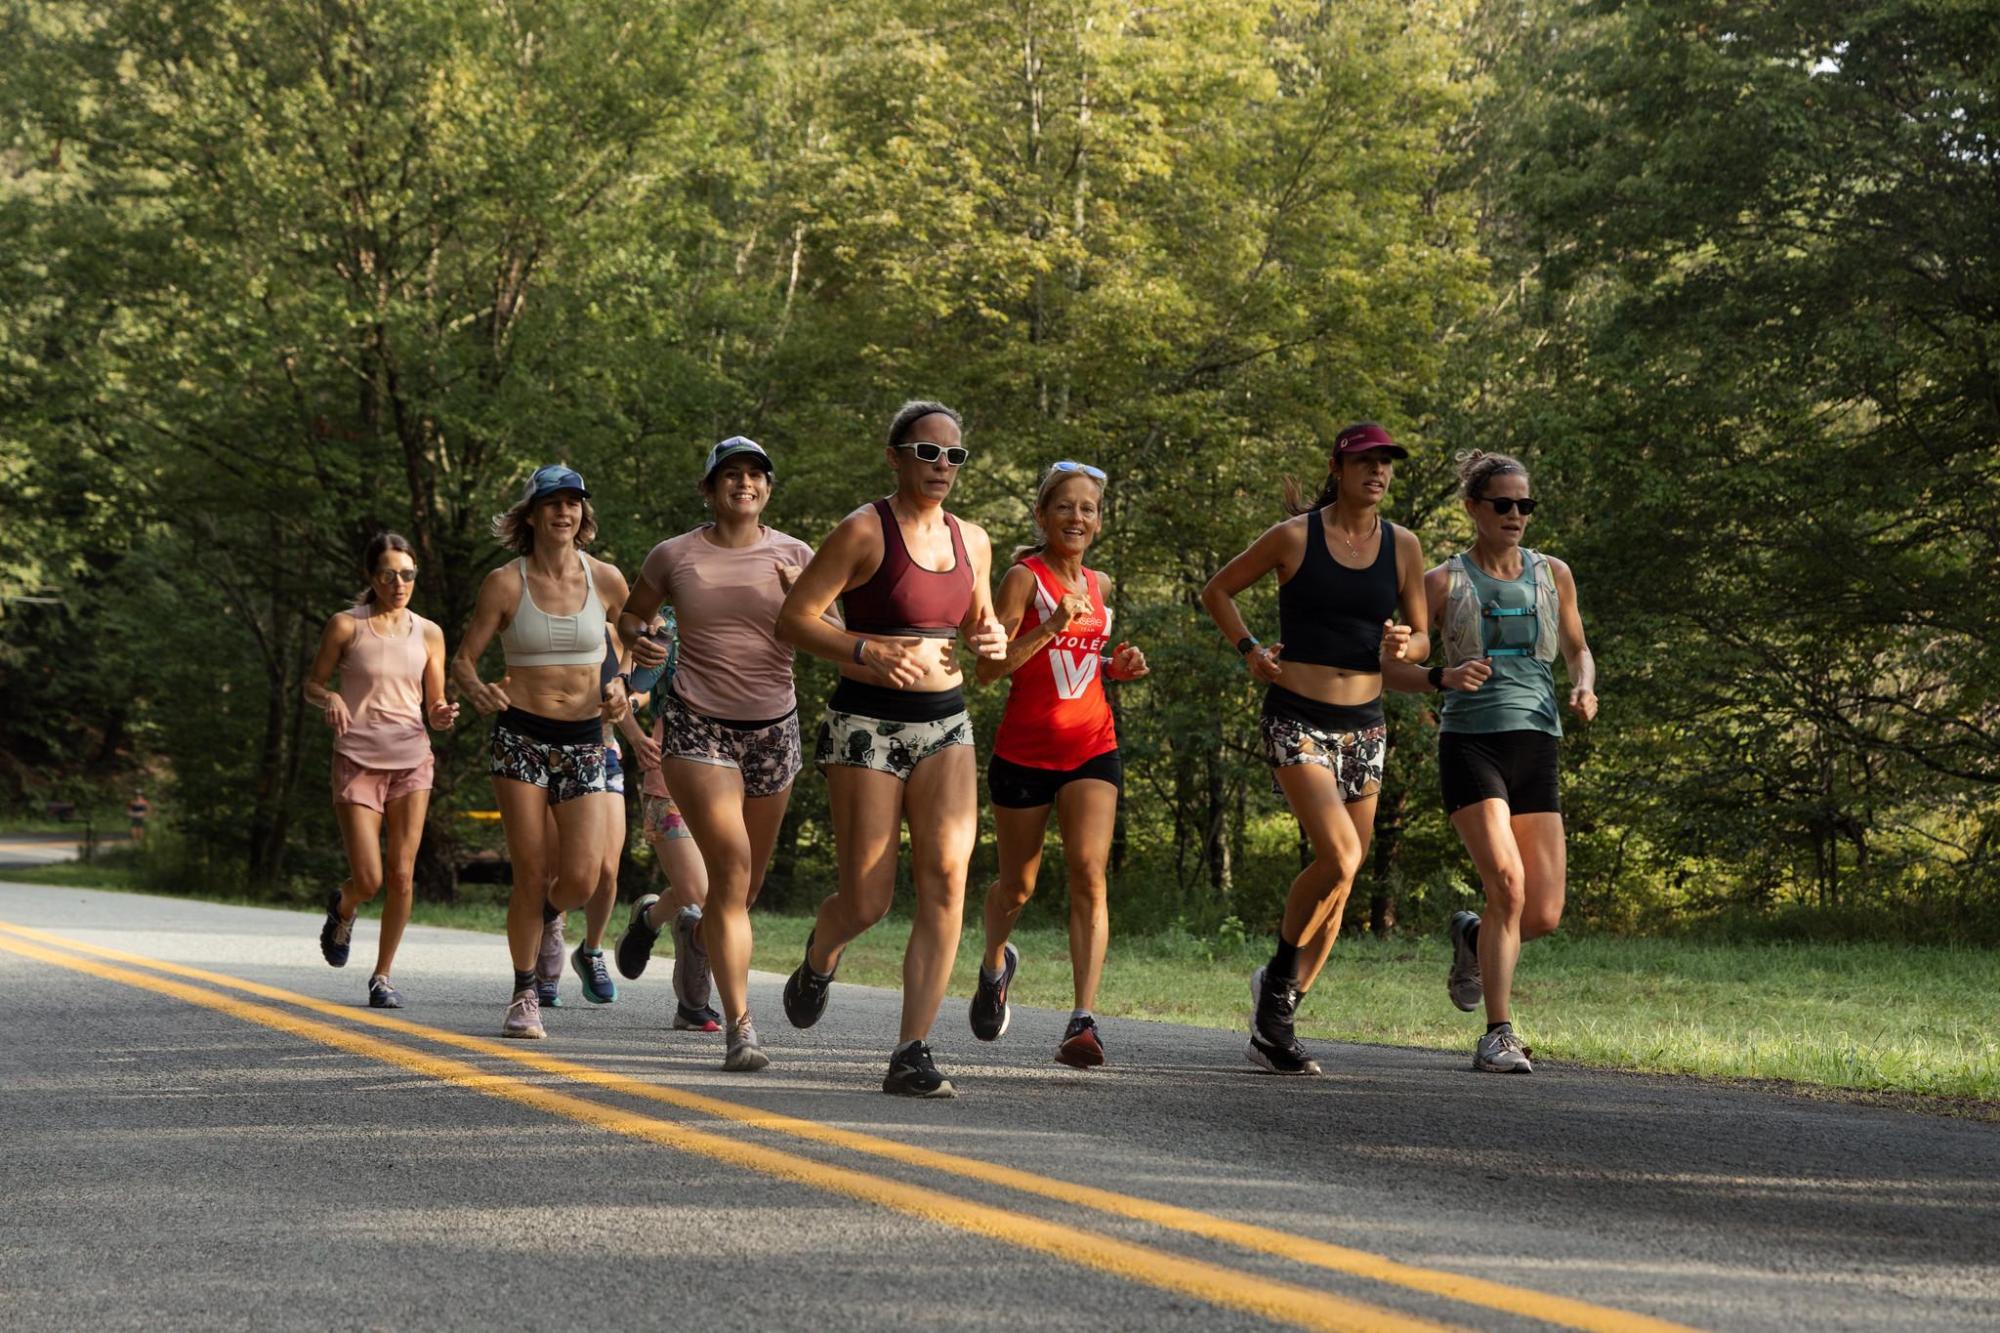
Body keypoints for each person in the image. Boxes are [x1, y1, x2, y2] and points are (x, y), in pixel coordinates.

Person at [775, 402, 1007, 1097]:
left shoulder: (976, 541)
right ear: (896, 456)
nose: (942, 466)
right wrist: (864, 648)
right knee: (869, 899)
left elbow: (982, 630)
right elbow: (795, 619)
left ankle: (912, 1049)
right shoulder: (862, 530)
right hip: (866, 724)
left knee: (946, 878)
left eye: (954, 456)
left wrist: (992, 641)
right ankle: (822, 953)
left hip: (946, 723)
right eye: (927, 452)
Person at [1199, 423, 1430, 1075]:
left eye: (1386, 463)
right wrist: (1249, 650)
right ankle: (1276, 985)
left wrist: (1402, 646)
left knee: (1344, 873)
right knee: (1341, 852)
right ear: (1339, 466)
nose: (1378, 471)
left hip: (1366, 725)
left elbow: (1421, 642)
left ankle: (1277, 1019)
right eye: (1365, 461)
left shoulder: (1403, 546)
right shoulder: (1295, 535)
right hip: (1295, 716)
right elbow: (1218, 589)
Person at [1386, 449, 1596, 1074]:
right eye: (1502, 504)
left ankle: (1474, 939)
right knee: (1507, 884)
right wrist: (1440, 677)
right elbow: (1389, 668)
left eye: (1524, 505)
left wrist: (1584, 687)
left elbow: (1580, 651)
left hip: (1537, 742)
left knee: (1544, 913)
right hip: (1471, 743)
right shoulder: (1443, 583)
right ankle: (1498, 1034)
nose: (1515, 514)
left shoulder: (1553, 573)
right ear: (1473, 508)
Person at [618, 437, 816, 1072]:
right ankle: (741, 1028)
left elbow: (831, 630)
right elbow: (631, 617)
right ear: (708, 489)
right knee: (729, 871)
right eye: (730, 475)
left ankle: (672, 923)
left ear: (768, 489)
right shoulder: (675, 554)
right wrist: (644, 642)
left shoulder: (797, 554)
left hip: (773, 729)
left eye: (756, 475)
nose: (744, 484)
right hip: (698, 725)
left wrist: (801, 599)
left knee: (746, 887)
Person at [969, 460, 1149, 1068]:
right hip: (1023, 755)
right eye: (1065, 507)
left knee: (1089, 873)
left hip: (1093, 747)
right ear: (1043, 516)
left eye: (1088, 509)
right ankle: (995, 962)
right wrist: (1050, 624)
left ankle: (1083, 1022)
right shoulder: (1024, 578)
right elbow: (991, 670)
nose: (1078, 517)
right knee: (1018, 886)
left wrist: (1113, 669)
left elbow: (1077, 671)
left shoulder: (1098, 585)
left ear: (1099, 521)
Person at [451, 465, 632, 1040]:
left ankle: (549, 919)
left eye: (574, 502)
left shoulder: (606, 579)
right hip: (521, 734)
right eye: (552, 503)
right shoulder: (505, 583)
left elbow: (630, 647)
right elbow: (463, 660)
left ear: (583, 514)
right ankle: (524, 991)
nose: (564, 512)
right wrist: (478, 690)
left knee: (580, 879)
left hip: (584, 738)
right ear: (531, 515)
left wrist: (622, 683)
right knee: (532, 872)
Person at [306, 532, 459, 1009]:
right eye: (389, 574)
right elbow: (312, 684)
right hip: (357, 760)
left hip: (412, 760)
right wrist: (329, 696)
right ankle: (344, 905)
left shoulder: (429, 632)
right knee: (369, 880)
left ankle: (382, 976)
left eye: (408, 574)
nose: (399, 583)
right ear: (371, 577)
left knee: (402, 875)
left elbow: (433, 701)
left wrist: (440, 715)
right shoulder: (346, 627)